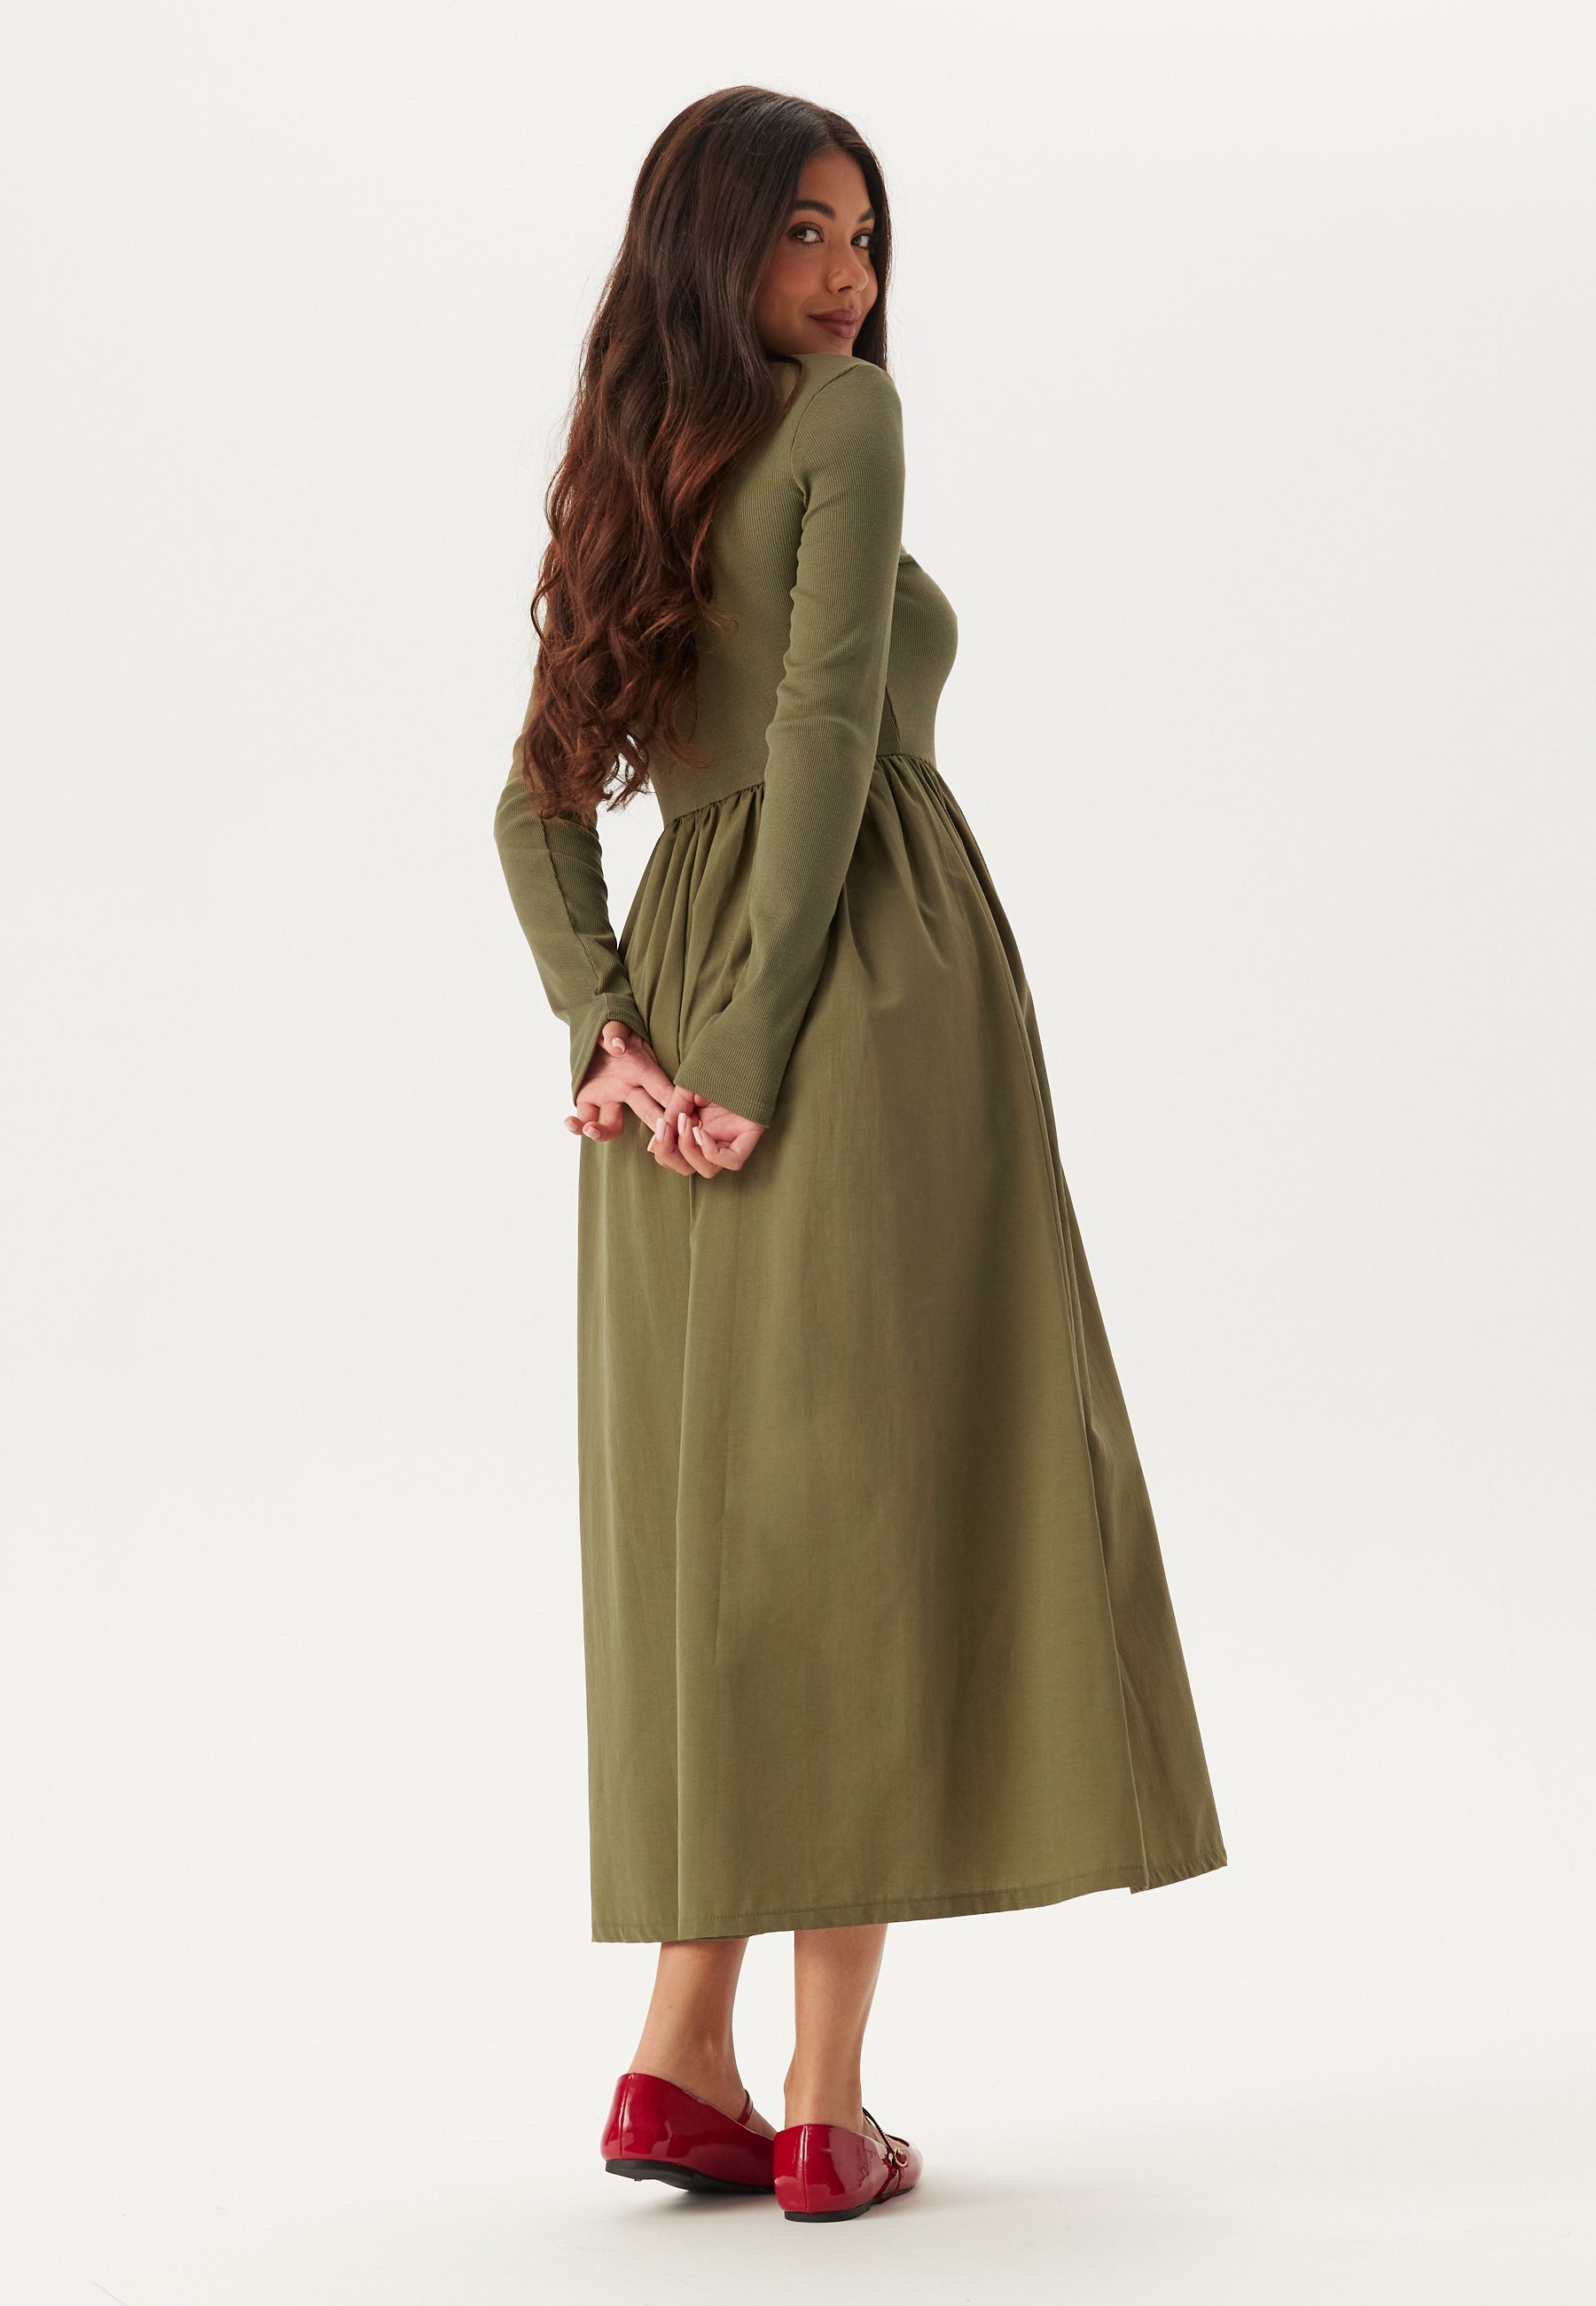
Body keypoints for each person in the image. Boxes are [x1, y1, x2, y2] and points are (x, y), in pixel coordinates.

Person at [492, 84, 1225, 2225]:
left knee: (726, 1527)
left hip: (682, 1012)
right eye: (806, 233)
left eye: (866, 238)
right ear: (711, 243)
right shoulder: (846, 424)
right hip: (855, 989)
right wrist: (727, 1048)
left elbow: (540, 804)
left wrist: (610, 1024)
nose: (848, 279)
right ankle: (821, 2098)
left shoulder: (633, 462)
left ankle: (682, 2052)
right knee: (864, 1511)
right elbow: (825, 732)